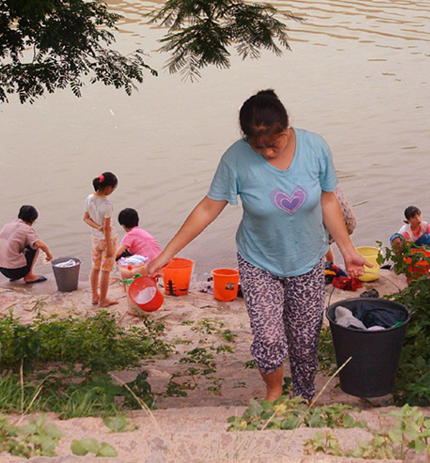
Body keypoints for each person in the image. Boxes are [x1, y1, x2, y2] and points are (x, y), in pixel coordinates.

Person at [148, 90, 369, 403]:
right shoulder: (235, 158)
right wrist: (166, 255)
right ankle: (274, 393)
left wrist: (347, 250)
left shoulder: (315, 147)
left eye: (274, 142)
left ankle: (305, 397)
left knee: (305, 341)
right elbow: (209, 207)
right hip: (258, 261)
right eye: (257, 145)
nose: (266, 152)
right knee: (267, 337)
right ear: (245, 138)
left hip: (307, 260)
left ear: (287, 126)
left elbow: (328, 199)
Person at [83, 172, 119, 307]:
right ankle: (103, 299)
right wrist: (110, 248)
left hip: (96, 239)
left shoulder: (89, 199)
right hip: (108, 240)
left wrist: (98, 227)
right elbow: (108, 229)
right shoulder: (107, 205)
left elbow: (86, 218)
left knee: (95, 267)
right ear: (109, 187)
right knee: (106, 270)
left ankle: (94, 296)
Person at [0, 205, 53, 284]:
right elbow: (40, 245)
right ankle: (29, 276)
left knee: (14, 246)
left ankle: (12, 277)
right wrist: (49, 254)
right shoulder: (26, 229)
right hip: (16, 271)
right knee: (34, 246)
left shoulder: (8, 225)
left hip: (2, 269)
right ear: (32, 220)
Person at [324, 186, 357, 263]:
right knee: (323, 243)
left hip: (334, 214)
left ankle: (330, 265)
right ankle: (331, 264)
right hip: (347, 218)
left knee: (322, 243)